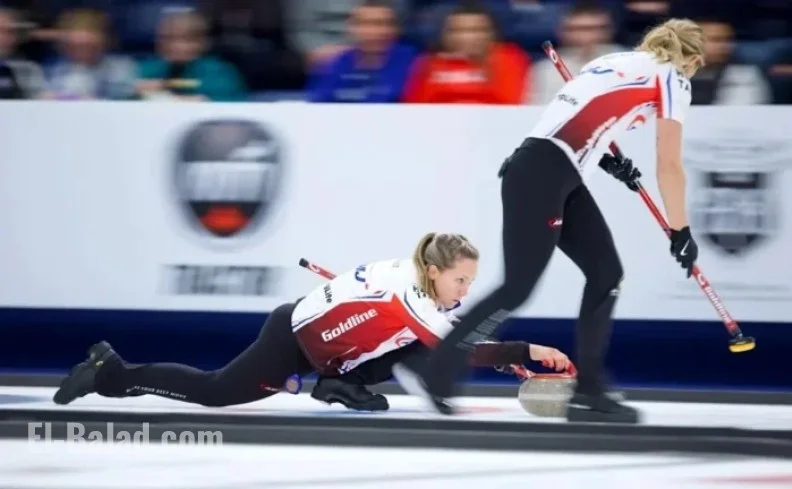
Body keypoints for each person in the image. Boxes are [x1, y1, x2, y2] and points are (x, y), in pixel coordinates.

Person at [392, 18, 706, 425]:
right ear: (694, 58)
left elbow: (575, 119)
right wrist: (680, 229)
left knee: (606, 273)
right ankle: (434, 368)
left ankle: (589, 390)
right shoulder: (674, 78)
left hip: (548, 168)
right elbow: (669, 164)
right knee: (517, 287)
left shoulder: (614, 61)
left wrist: (609, 161)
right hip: (547, 174)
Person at [52, 232, 573, 412]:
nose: (466, 291)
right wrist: (524, 352)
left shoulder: (418, 279)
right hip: (295, 341)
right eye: (461, 281)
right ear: (435, 272)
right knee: (214, 392)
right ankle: (110, 373)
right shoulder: (409, 295)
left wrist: (506, 361)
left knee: (413, 350)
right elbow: (457, 346)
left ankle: (336, 383)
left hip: (333, 345)